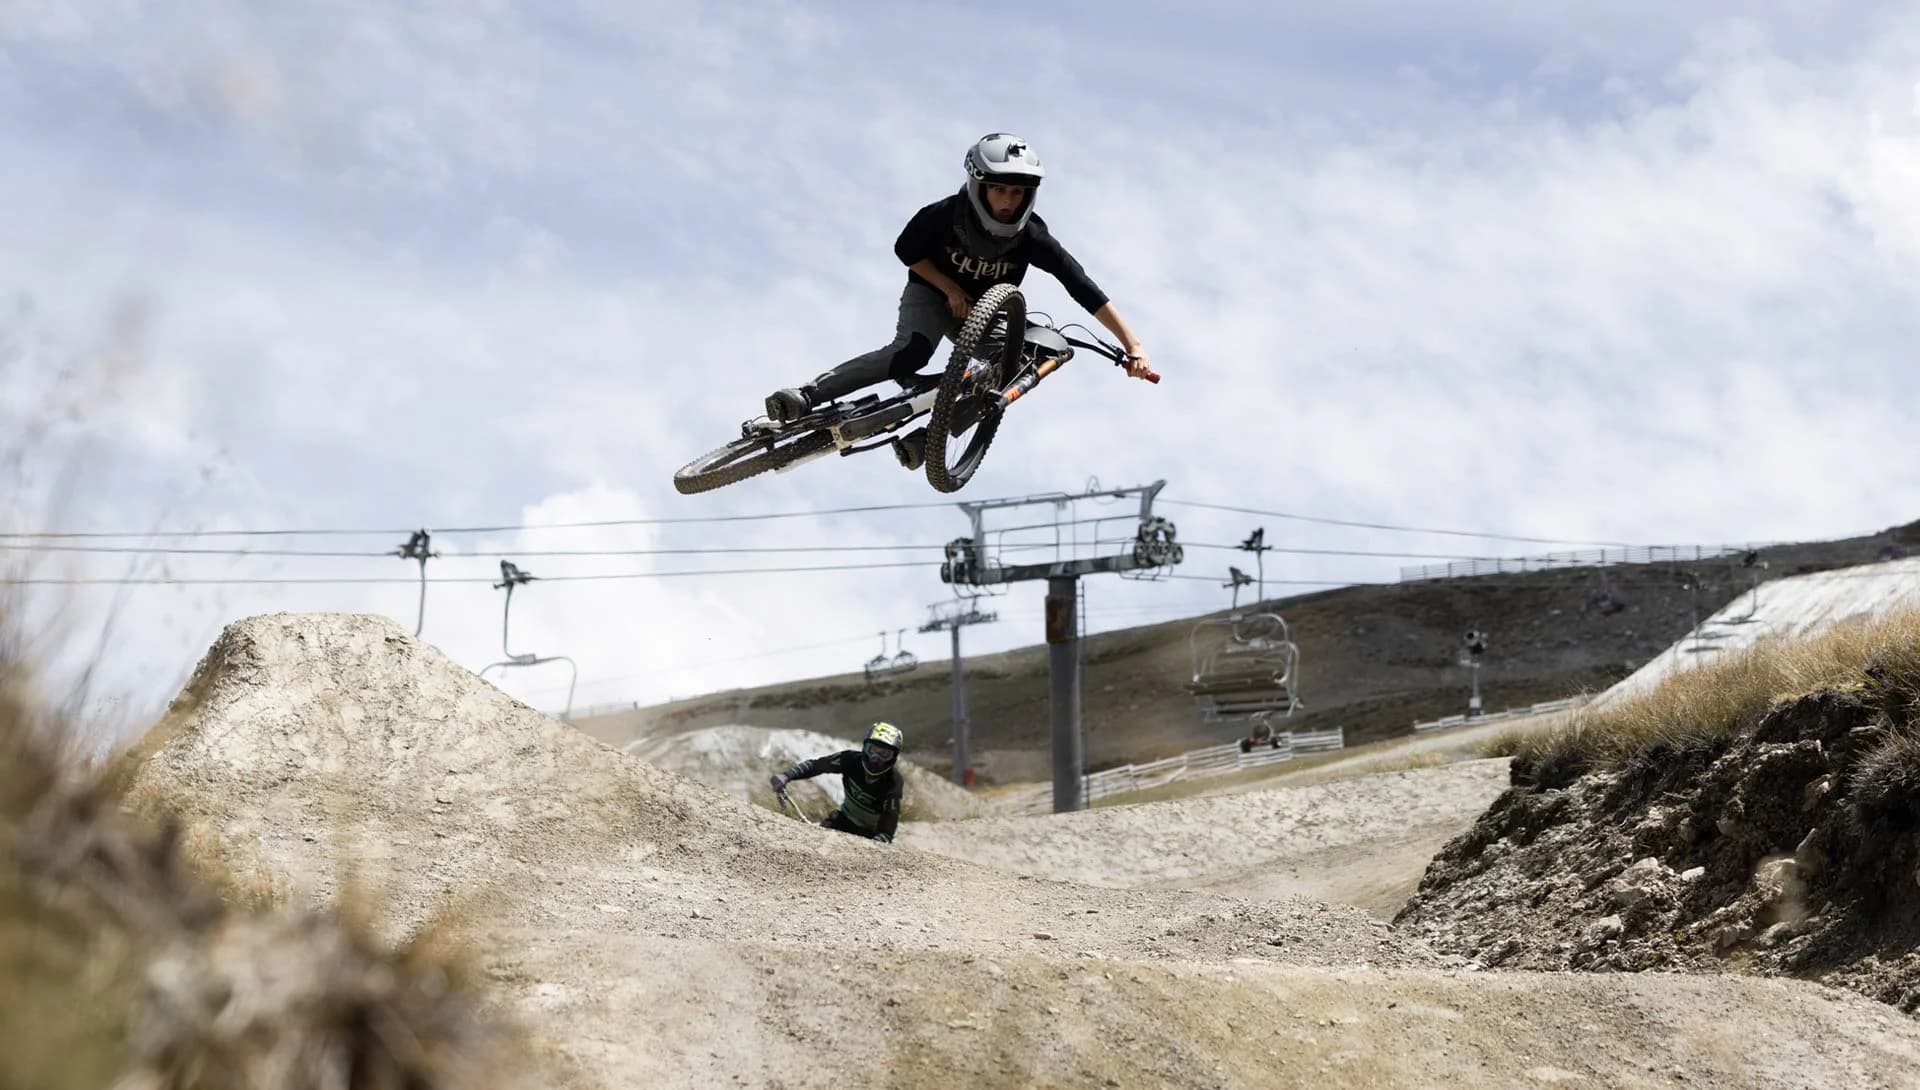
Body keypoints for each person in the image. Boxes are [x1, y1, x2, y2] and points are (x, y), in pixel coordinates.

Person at [763, 133, 1155, 470]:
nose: (1007, 201)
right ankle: (806, 396)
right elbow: (906, 250)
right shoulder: (944, 215)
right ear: (979, 186)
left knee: (1023, 364)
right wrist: (949, 288)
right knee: (911, 353)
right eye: (999, 189)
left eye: (1017, 192)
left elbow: (1082, 287)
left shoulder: (1032, 237)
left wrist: (1132, 345)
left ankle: (929, 436)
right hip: (932, 296)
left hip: (982, 315)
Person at [769, 722, 906, 843]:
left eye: (884, 754)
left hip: (872, 833)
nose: (875, 759)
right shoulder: (849, 760)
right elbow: (816, 766)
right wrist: (787, 776)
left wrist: (883, 838)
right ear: (864, 747)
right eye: (873, 750)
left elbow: (890, 816)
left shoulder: (893, 781)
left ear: (893, 757)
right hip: (843, 819)